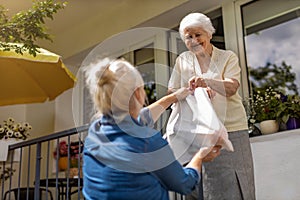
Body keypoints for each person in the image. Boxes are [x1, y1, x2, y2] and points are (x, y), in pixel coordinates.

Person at [82, 58, 221, 200]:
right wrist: (199, 156)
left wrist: (174, 97)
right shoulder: (147, 142)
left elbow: (138, 119)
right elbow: (184, 183)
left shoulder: (94, 132)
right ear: (137, 94)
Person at [168, 13, 255, 200]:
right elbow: (172, 93)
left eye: (198, 35)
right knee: (200, 187)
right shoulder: (182, 61)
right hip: (195, 133)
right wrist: (192, 92)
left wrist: (207, 82)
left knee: (232, 185)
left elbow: (232, 87)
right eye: (188, 37)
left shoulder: (227, 57)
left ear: (209, 34)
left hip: (231, 130)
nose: (193, 41)